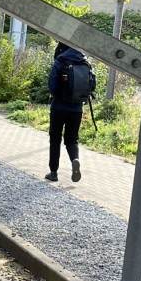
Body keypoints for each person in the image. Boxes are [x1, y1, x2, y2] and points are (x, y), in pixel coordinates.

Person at [46, 42, 87, 183]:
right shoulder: (84, 61)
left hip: (58, 107)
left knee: (55, 138)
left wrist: (58, 95)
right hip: (77, 108)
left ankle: (53, 172)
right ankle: (75, 159)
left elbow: (51, 85)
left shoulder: (60, 61)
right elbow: (91, 85)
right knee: (72, 139)